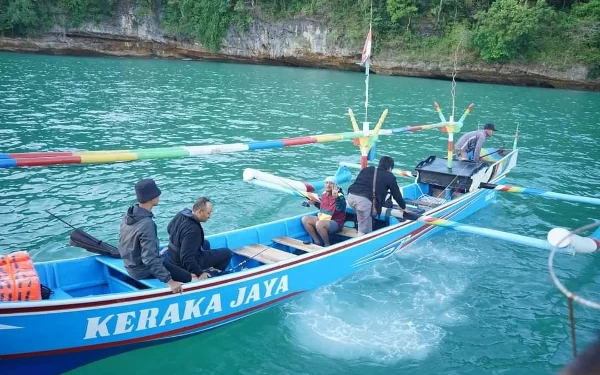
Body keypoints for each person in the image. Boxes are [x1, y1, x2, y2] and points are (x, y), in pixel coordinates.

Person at [117, 178, 184, 294]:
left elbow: (125, 244)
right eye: (157, 194)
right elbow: (149, 259)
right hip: (143, 271)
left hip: (130, 267)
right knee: (188, 276)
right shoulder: (147, 224)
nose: (159, 196)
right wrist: (170, 281)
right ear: (151, 197)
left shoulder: (129, 215)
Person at [165, 197, 233, 283]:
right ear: (200, 211)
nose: (210, 216)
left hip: (172, 257)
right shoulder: (193, 229)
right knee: (227, 253)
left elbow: (169, 228)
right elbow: (186, 257)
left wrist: (178, 242)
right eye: (208, 213)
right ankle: (211, 274)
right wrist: (199, 273)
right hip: (182, 265)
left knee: (205, 243)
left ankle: (205, 268)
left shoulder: (181, 214)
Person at [346, 156, 408, 235]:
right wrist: (403, 207)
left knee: (365, 223)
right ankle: (361, 244)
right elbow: (396, 194)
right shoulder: (389, 176)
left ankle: (363, 233)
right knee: (364, 231)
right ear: (390, 168)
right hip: (363, 202)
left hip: (350, 197)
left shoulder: (366, 170)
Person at [301, 176, 347, 247]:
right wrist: (315, 203)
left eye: (331, 183)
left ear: (335, 185)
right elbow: (323, 207)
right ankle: (317, 242)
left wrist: (336, 198)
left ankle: (327, 244)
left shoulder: (340, 197)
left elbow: (340, 208)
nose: (328, 185)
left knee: (319, 224)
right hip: (323, 219)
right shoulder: (324, 194)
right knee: (305, 219)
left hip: (336, 223)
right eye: (326, 183)